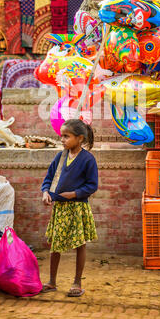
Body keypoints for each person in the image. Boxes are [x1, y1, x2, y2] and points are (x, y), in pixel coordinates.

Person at [41, 119, 98, 297]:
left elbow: (92, 185)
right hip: (60, 208)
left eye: (66, 136)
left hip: (77, 208)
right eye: (61, 136)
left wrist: (74, 194)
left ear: (79, 138)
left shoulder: (88, 159)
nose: (62, 140)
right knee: (55, 245)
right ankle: (51, 281)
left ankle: (77, 283)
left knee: (79, 245)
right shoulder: (60, 157)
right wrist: (45, 192)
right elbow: (48, 179)